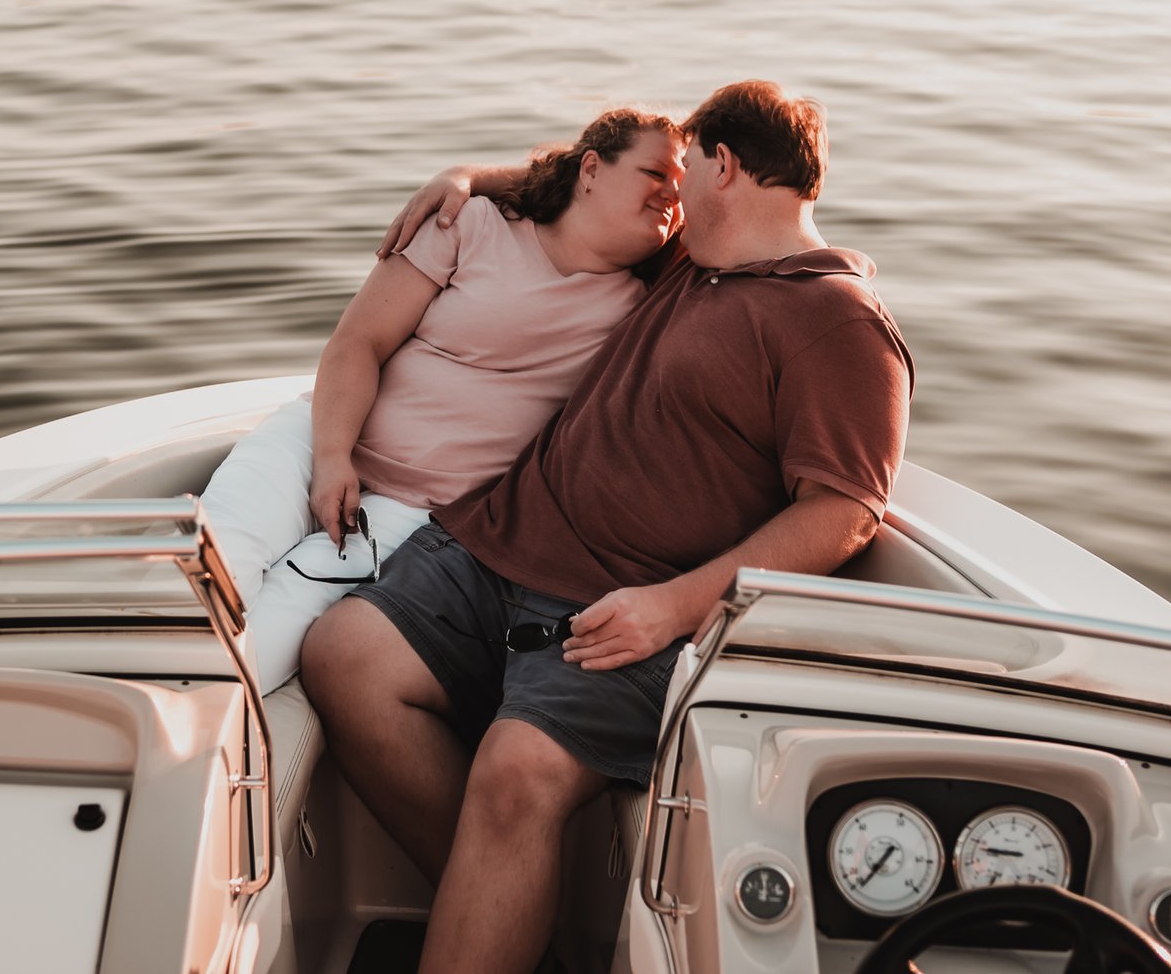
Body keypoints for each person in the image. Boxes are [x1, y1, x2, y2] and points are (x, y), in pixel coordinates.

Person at [300, 79, 913, 974]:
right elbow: (588, 186)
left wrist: (673, 607)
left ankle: (502, 914)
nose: (669, 200)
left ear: (724, 166)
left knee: (517, 769)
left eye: (684, 175)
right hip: (499, 538)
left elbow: (847, 510)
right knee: (343, 656)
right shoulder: (688, 264)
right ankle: (519, 917)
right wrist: (469, 176)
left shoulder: (839, 323)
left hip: (632, 604)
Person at [199, 107, 686, 694]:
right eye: (656, 172)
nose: (672, 194)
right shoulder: (474, 222)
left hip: (414, 509)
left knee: (262, 642)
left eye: (684, 187)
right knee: (206, 567)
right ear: (590, 169)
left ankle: (170, 731)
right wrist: (332, 458)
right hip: (317, 437)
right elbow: (359, 341)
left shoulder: (647, 301)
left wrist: (470, 171)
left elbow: (746, 231)